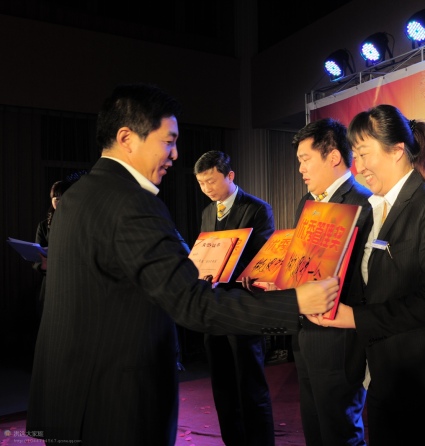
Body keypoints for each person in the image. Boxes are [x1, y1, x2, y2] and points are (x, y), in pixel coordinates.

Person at [26, 83, 338, 446]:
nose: (175, 154)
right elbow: (192, 303)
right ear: (127, 138)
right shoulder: (133, 203)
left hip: (67, 399)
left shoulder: (76, 196)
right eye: (168, 141)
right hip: (115, 406)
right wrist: (296, 301)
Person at [307, 104, 425, 446]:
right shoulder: (373, 210)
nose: (358, 166)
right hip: (386, 374)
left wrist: (355, 318)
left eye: (364, 154)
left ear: (397, 150)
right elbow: (371, 285)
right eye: (356, 155)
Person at [291, 118, 373, 446]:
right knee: (314, 426)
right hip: (306, 333)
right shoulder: (306, 202)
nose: (300, 169)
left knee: (340, 430)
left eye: (305, 159)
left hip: (340, 338)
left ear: (334, 157)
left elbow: (367, 280)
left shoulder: (364, 203)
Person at [194, 150, 276, 446]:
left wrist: (235, 269)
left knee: (250, 383)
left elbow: (264, 257)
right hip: (215, 306)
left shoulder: (257, 209)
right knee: (222, 384)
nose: (207, 188)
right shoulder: (207, 212)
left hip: (243, 307)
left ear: (230, 176)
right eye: (201, 183)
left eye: (211, 181)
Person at [32, 172, 84, 323]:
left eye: (63, 198)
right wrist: (42, 265)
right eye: (56, 199)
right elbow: (36, 257)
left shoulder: (78, 222)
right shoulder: (43, 226)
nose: (59, 202)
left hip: (72, 281)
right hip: (50, 282)